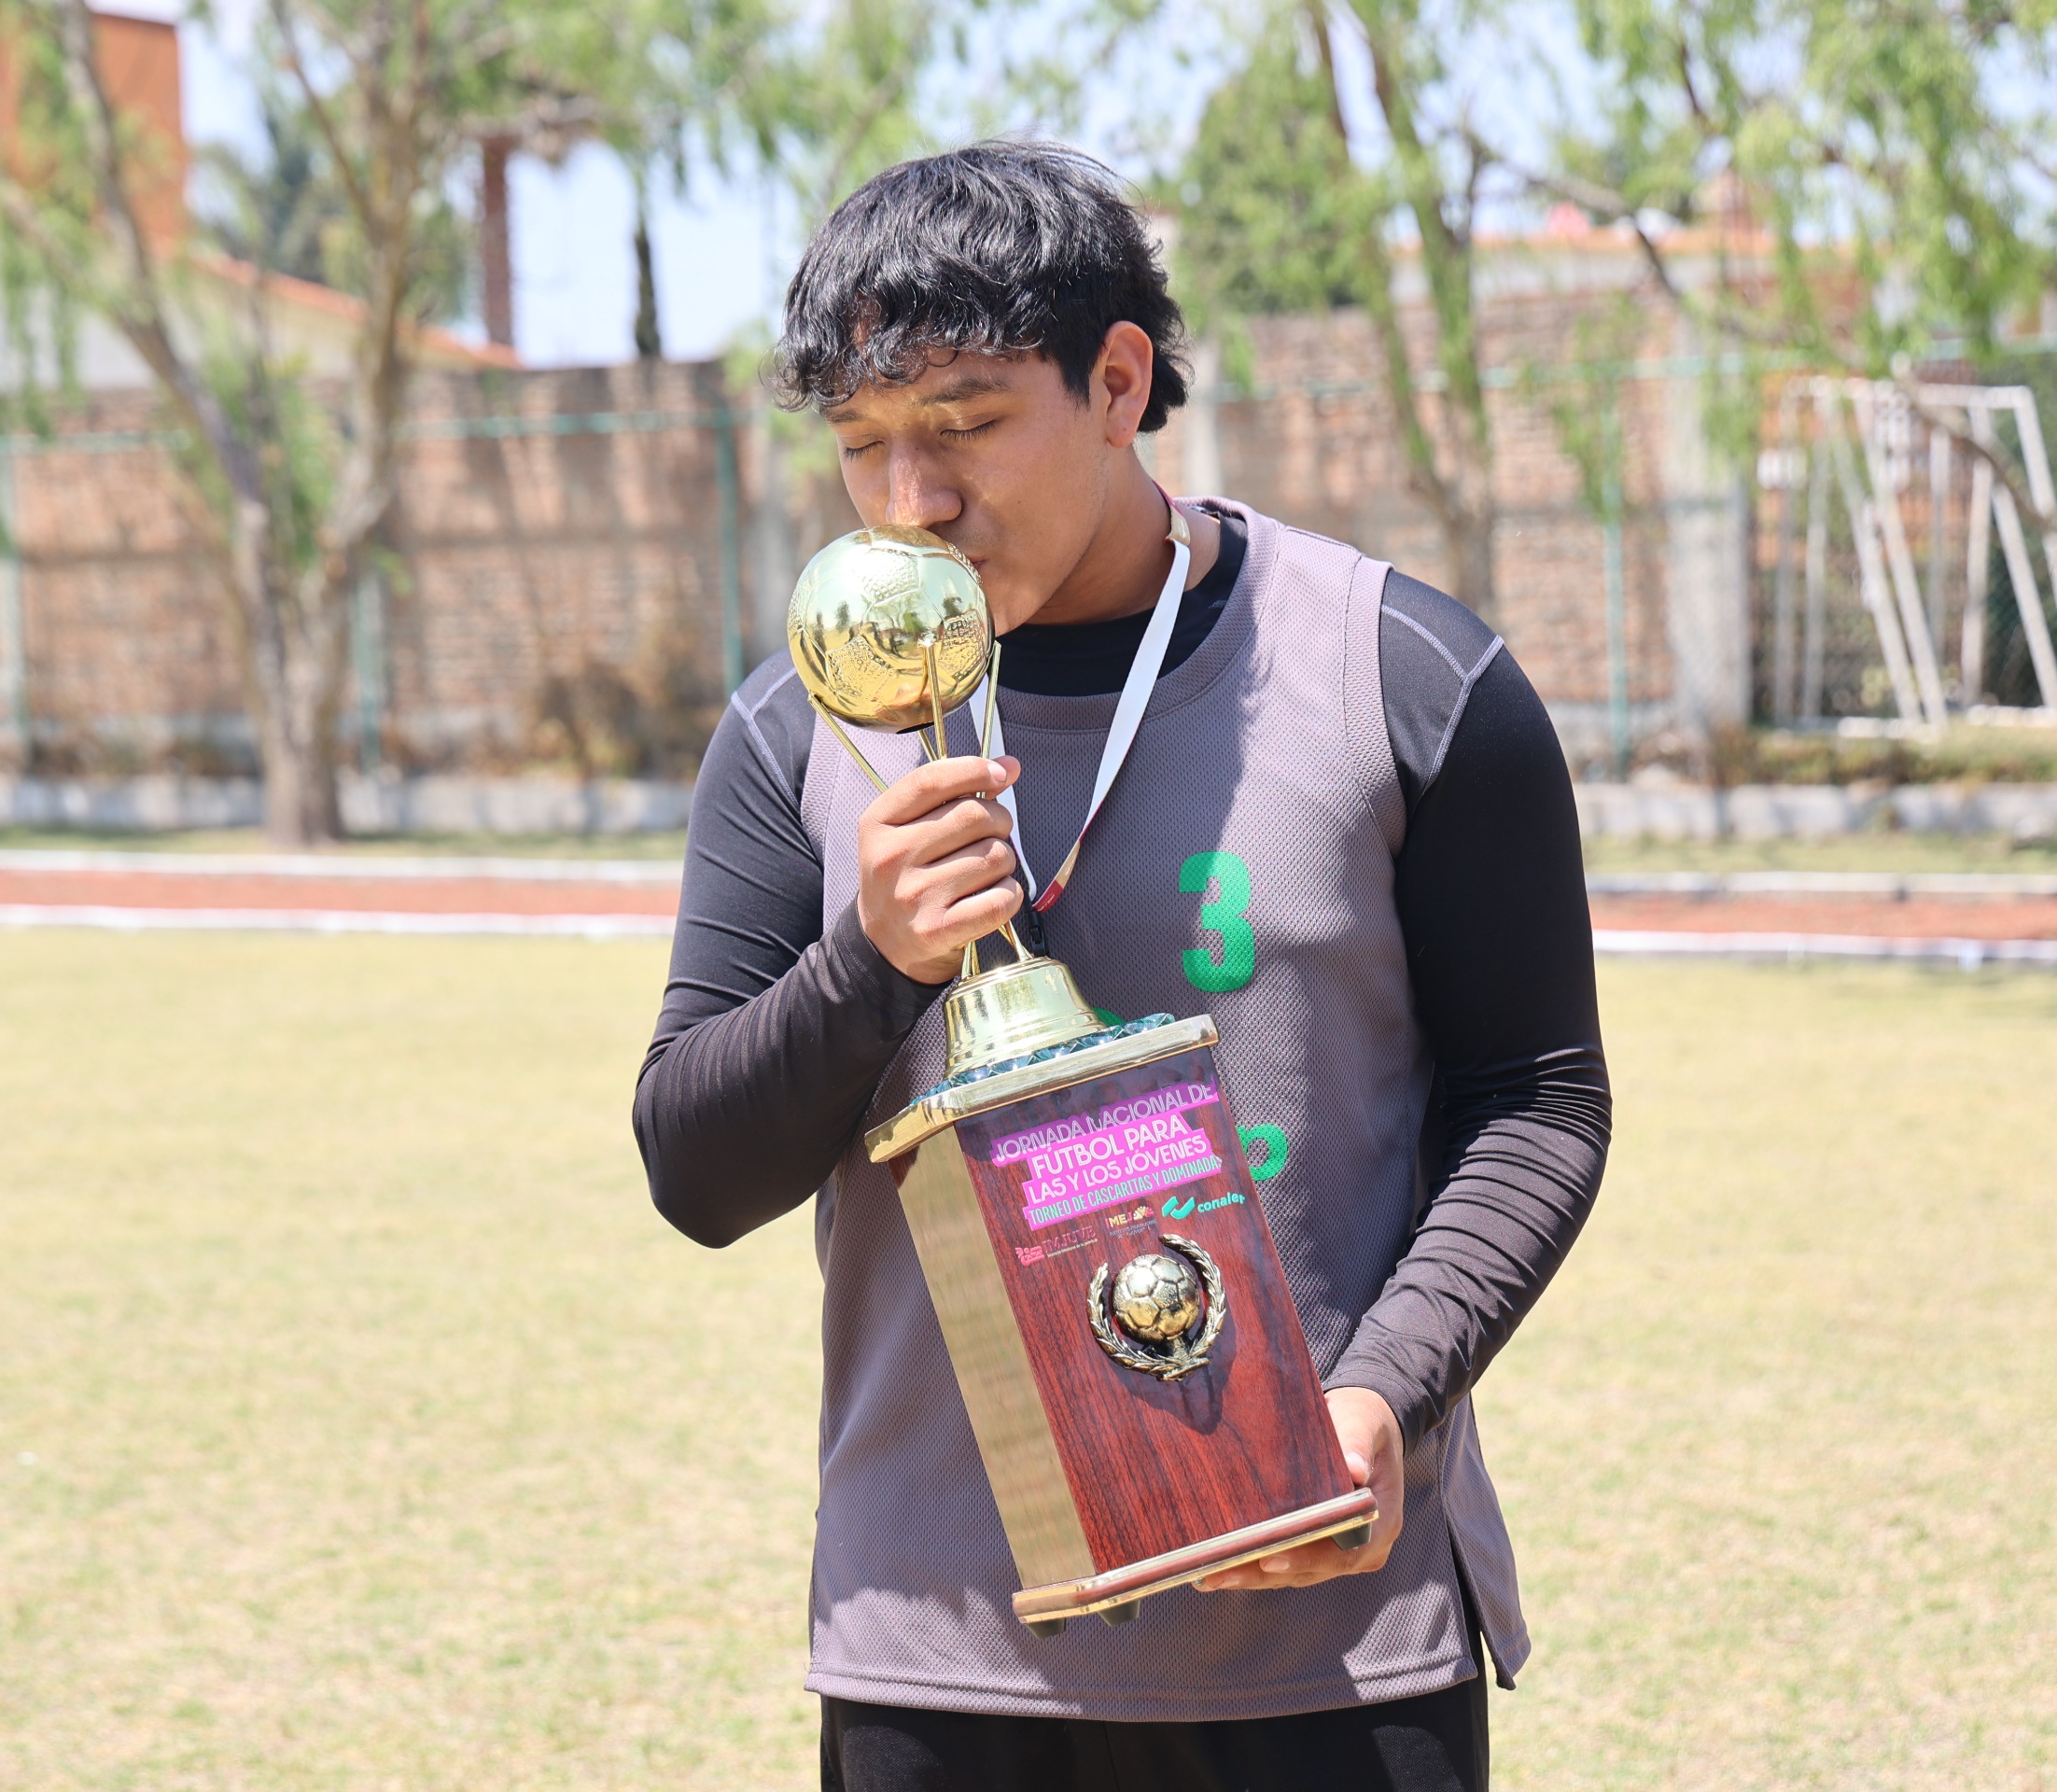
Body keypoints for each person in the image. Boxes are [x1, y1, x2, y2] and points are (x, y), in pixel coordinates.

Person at [634, 141, 1611, 1792]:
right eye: (861, 445)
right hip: (942, 1656)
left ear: (1117, 380)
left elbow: (1537, 1102)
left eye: (961, 424)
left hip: (1326, 1636)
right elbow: (694, 1167)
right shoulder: (796, 731)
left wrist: (1382, 1399)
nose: (909, 503)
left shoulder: (1399, 674)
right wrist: (870, 961)